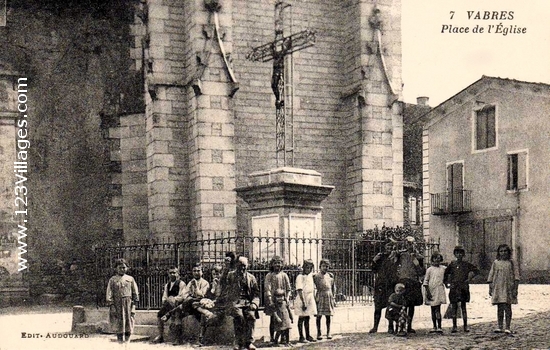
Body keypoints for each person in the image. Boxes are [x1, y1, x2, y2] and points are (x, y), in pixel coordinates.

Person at [224, 256, 260, 350]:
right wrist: (230, 303)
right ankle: (238, 342)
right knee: (239, 317)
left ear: (247, 266)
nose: (242, 268)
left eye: (244, 266)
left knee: (251, 316)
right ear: (236, 265)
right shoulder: (231, 276)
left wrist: (254, 304)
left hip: (248, 303)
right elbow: (227, 291)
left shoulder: (251, 278)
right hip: (235, 302)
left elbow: (256, 294)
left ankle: (249, 342)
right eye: (240, 265)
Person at [443, 245, 479, 333]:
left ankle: (465, 326)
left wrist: (470, 278)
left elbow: (477, 271)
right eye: (457, 253)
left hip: (463, 287)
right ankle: (454, 326)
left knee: (463, 307)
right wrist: (447, 284)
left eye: (461, 253)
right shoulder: (452, 264)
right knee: (454, 307)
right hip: (454, 288)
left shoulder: (466, 264)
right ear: (454, 254)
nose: (459, 255)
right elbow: (445, 274)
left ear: (463, 254)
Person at [487, 244, 520, 335]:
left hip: (508, 287)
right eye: (501, 251)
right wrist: (490, 287)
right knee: (500, 307)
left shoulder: (512, 263)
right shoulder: (496, 263)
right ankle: (500, 326)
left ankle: (508, 327)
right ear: (498, 252)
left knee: (507, 307)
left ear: (508, 252)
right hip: (498, 287)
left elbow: (516, 276)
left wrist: (515, 289)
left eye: (505, 251)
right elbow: (491, 275)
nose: (503, 253)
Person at [151, 266, 188, 344]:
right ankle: (160, 336)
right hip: (169, 305)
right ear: (168, 274)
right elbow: (164, 296)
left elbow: (183, 296)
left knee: (177, 315)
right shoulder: (167, 285)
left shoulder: (181, 284)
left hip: (178, 305)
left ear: (177, 274)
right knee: (159, 314)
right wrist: (166, 300)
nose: (172, 274)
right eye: (170, 273)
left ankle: (178, 338)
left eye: (174, 273)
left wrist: (173, 299)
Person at [396, 236, 425, 333]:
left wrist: (416, 263)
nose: (409, 245)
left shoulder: (419, 257)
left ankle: (409, 326)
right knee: (402, 304)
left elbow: (421, 272)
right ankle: (401, 326)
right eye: (408, 243)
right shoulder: (401, 255)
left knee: (411, 305)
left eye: (411, 243)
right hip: (403, 281)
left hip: (413, 282)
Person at [106, 258, 139, 343]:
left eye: (124, 267)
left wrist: (134, 306)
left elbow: (135, 293)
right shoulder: (112, 280)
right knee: (119, 324)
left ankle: (127, 342)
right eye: (120, 267)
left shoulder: (130, 279)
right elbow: (109, 293)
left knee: (129, 322)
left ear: (127, 268)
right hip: (117, 304)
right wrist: (112, 305)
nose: (122, 269)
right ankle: (120, 342)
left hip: (128, 304)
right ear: (116, 268)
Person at [369, 242, 399, 334]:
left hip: (391, 285)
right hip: (380, 285)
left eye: (391, 246)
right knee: (377, 307)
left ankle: (390, 327)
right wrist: (374, 260)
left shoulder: (395, 257)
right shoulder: (380, 257)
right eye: (387, 246)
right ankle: (375, 327)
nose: (389, 248)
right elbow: (373, 269)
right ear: (385, 247)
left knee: (391, 306)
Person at [264, 255, 291, 344]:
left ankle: (283, 338)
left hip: (282, 301)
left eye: (279, 263)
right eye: (275, 263)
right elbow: (267, 288)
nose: (277, 265)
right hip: (272, 300)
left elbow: (288, 289)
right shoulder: (269, 275)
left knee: (283, 319)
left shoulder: (284, 275)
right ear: (272, 264)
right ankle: (272, 338)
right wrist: (270, 300)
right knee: (273, 318)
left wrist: (287, 298)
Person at [423, 252, 447, 333]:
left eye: (438, 258)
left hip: (439, 290)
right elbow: (425, 282)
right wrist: (428, 292)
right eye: (435, 258)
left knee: (438, 309)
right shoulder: (429, 270)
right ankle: (434, 326)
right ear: (432, 259)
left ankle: (439, 326)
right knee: (433, 309)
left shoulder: (443, 268)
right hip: (431, 290)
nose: (437, 260)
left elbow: (448, 275)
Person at [295, 259, 317, 343]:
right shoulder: (300, 277)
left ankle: (308, 335)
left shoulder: (310, 276)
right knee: (301, 317)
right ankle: (301, 336)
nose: (309, 269)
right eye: (307, 267)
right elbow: (299, 290)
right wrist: (303, 302)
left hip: (310, 297)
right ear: (304, 267)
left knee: (307, 317)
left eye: (311, 268)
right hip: (302, 298)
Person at [313, 258, 335, 340]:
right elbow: (313, 286)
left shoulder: (330, 276)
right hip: (320, 296)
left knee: (328, 316)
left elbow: (333, 287)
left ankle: (328, 332)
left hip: (328, 296)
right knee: (319, 316)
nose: (325, 268)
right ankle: (319, 333)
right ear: (320, 267)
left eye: (327, 266)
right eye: (323, 266)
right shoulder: (316, 276)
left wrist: (334, 297)